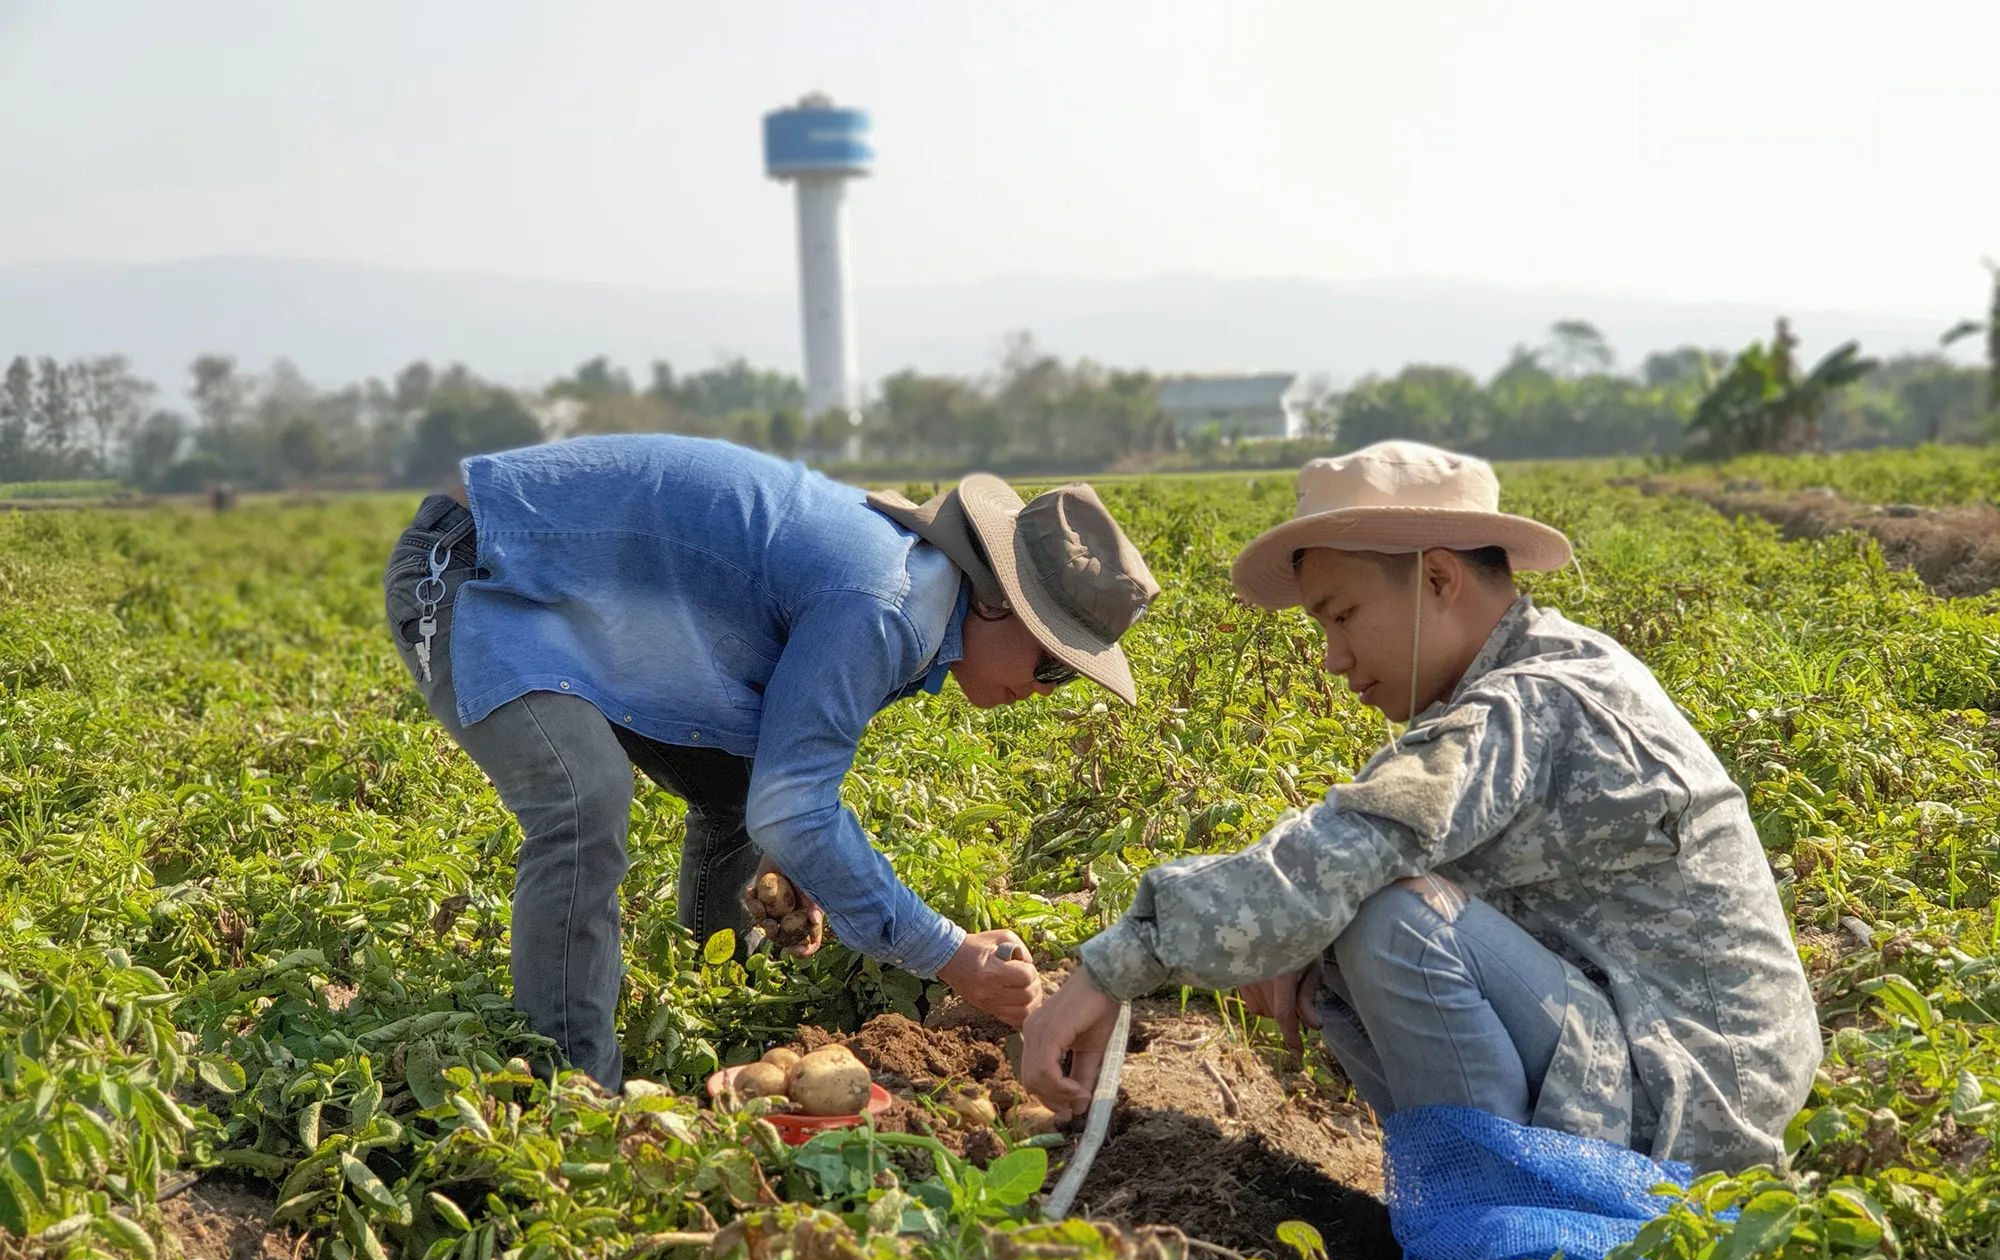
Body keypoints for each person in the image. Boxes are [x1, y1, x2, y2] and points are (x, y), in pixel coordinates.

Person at [1022, 440, 1818, 1174]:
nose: (1333, 658)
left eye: (1341, 616)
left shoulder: (1531, 701)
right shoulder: (1542, 671)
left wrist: (1116, 966)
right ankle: (1479, 1211)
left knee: (1391, 921)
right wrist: (1302, 939)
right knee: (1348, 921)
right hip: (1665, 1069)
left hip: (1691, 1113)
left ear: (1439, 578)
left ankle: (1505, 1240)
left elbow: (1354, 841)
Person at [384, 434, 1159, 1089]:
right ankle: (573, 1092)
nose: (1045, 688)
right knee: (582, 802)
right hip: (481, 560)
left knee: (733, 787)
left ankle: (714, 982)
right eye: (1053, 662)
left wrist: (807, 867)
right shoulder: (888, 603)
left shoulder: (914, 593)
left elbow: (779, 785)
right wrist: (948, 954)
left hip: (581, 594)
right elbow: (795, 804)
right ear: (996, 602)